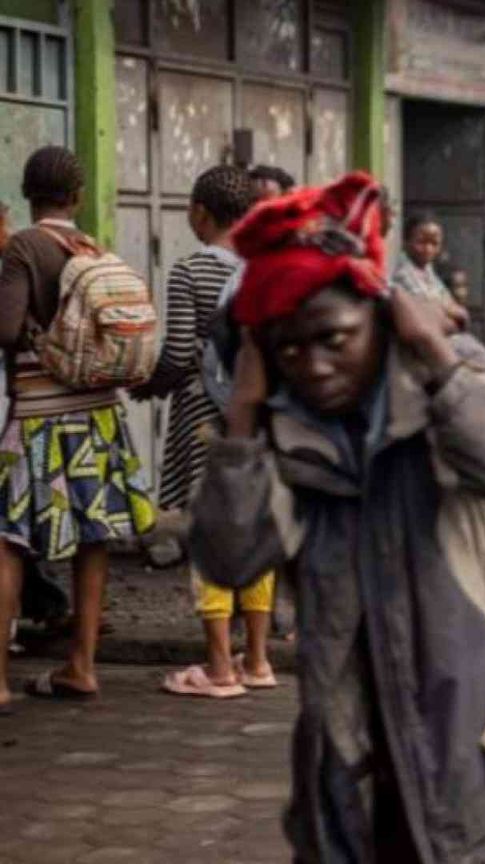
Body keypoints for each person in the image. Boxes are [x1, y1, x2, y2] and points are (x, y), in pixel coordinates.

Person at [188, 171, 485, 861]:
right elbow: (230, 559)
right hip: (350, 748)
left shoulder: (451, 373)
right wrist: (241, 420)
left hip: (478, 740)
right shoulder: (281, 426)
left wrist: (439, 361)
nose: (314, 365)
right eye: (290, 349)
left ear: (381, 314)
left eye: (335, 338)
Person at [0, 146, 157, 707]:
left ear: (27, 193)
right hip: (97, 416)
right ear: (79, 197)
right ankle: (82, 666)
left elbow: (7, 328)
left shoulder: (23, 246)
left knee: (9, 539)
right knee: (93, 538)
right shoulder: (91, 247)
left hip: (37, 419)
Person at [126, 165, 276, 699]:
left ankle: (218, 669)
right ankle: (256, 660)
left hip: (205, 417)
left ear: (200, 212)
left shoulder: (190, 270)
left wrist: (148, 387)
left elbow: (179, 352)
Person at [391, 212, 451, 303]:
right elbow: (427, 304)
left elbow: (447, 301)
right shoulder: (402, 274)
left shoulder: (429, 272)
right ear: (405, 242)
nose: (428, 249)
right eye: (421, 242)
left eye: (434, 243)